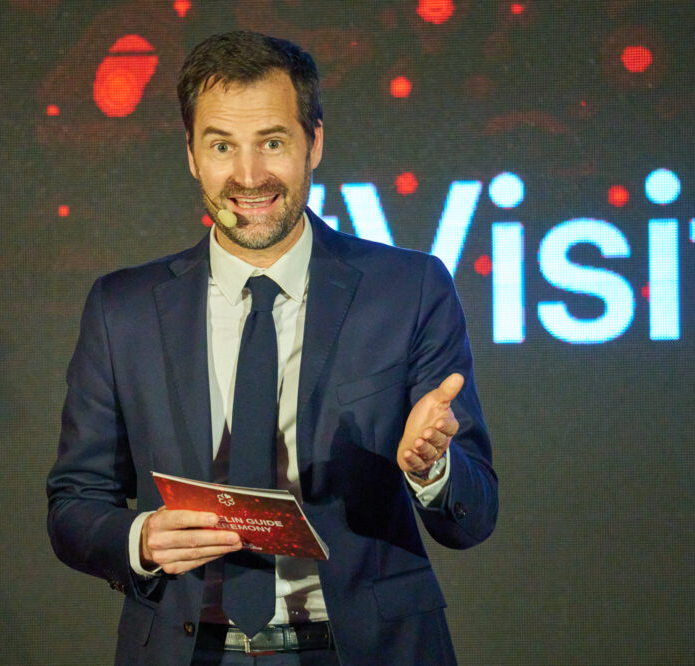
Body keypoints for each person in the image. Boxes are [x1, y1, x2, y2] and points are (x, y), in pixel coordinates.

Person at [47, 31, 497, 665]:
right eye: (222, 146)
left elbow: (475, 514)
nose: (249, 175)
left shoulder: (409, 289)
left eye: (273, 142)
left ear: (314, 143)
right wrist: (140, 538)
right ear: (191, 155)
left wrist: (432, 469)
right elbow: (74, 503)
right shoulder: (122, 308)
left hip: (363, 650)